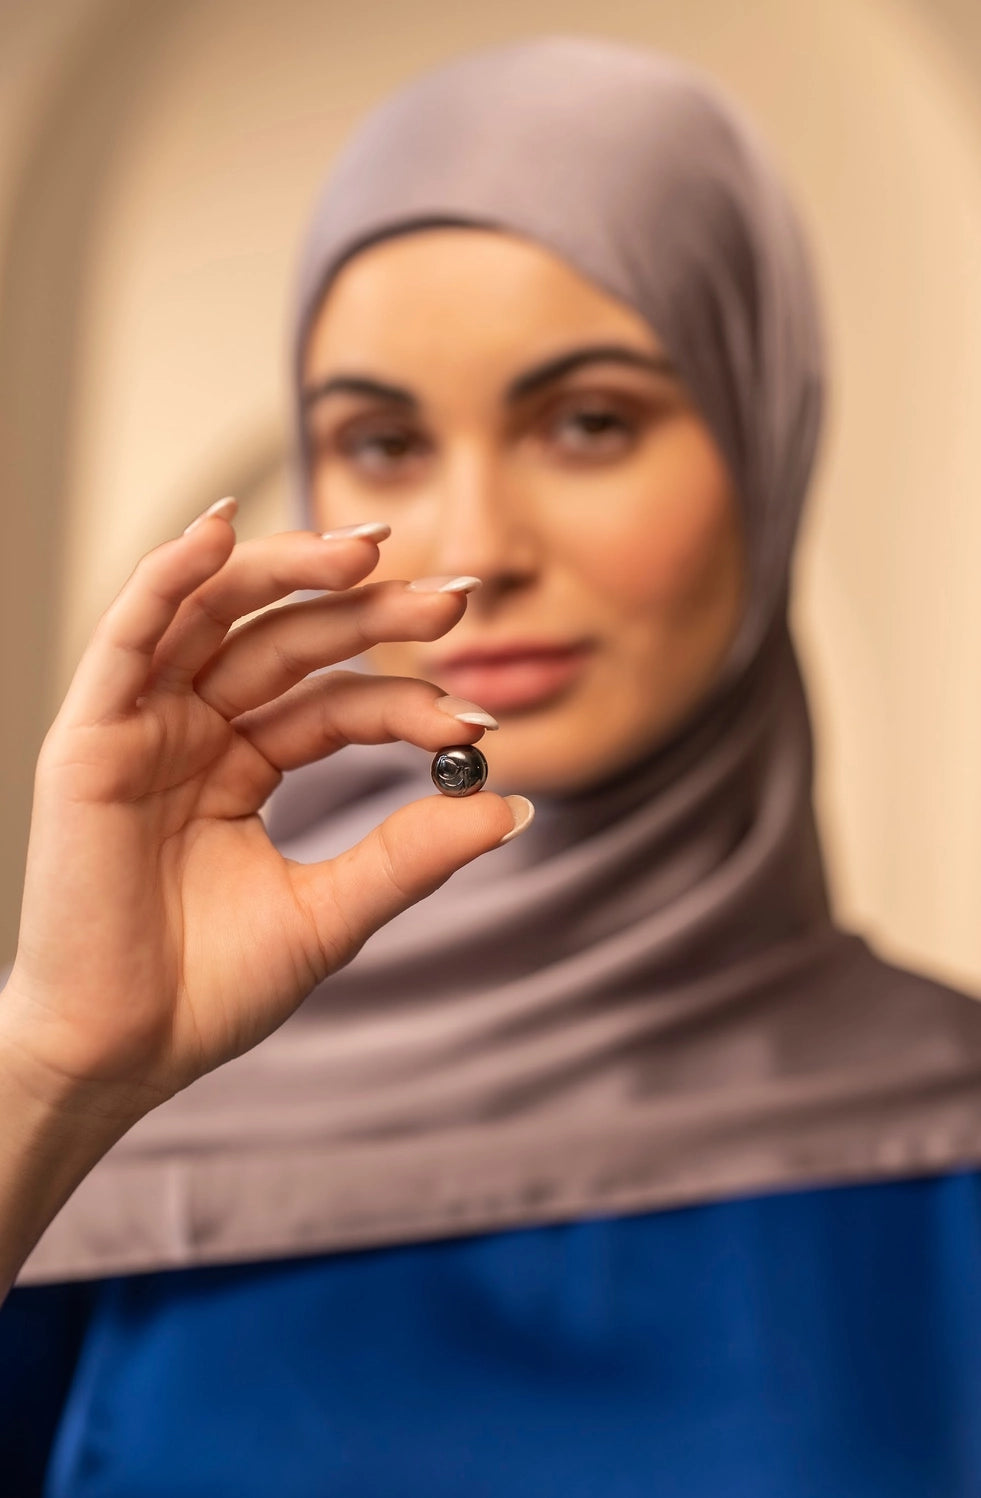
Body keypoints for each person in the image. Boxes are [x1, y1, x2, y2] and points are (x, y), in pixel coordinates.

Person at [4, 33, 981, 1497]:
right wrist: (54, 1077)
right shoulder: (113, 1104)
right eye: (384, 441)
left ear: (763, 437)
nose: (477, 548)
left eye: (588, 423)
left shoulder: (947, 1128)